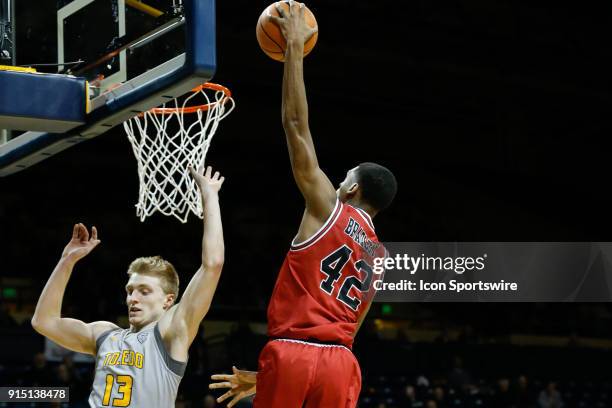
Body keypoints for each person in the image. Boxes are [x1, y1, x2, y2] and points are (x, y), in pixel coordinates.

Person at [209, 2, 397, 407]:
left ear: (351, 189)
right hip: (343, 362)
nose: (339, 178)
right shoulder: (379, 256)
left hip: (293, 350)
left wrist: (293, 48)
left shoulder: (329, 206)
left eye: (345, 175)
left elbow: (295, 125)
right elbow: (353, 326)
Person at [31, 166, 226, 408]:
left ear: (168, 300)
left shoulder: (171, 330)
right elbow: (44, 322)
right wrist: (67, 261)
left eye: (144, 291)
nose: (133, 298)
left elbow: (212, 264)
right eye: (130, 290)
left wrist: (209, 195)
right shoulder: (105, 334)